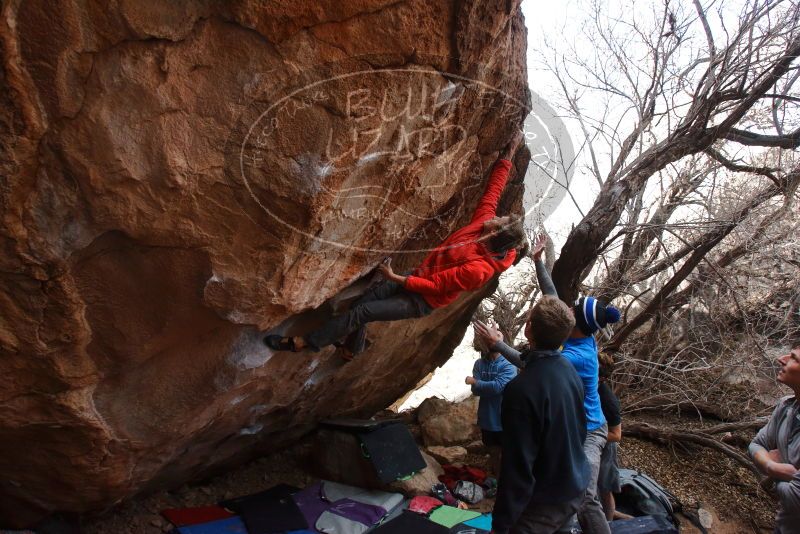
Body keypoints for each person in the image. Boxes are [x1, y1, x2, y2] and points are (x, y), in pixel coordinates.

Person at [265, 131, 528, 356]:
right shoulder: (482, 226)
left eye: (499, 220)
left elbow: (437, 286)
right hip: (416, 276)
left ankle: (303, 343)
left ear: (495, 235)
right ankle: (352, 348)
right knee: (362, 304)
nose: (494, 216)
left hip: (422, 301)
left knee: (363, 311)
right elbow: (493, 191)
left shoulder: (479, 269)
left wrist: (396, 278)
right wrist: (510, 151)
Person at [476, 234, 621, 534]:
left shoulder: (572, 360)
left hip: (593, 428)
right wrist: (539, 263)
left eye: (572, 309)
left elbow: (527, 362)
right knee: (569, 494)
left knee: (586, 497)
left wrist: (498, 344)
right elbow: (553, 303)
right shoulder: (580, 335)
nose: (568, 308)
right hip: (571, 420)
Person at [491, 296, 590, 534]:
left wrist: (501, 523)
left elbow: (517, 465)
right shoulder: (569, 371)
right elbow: (580, 431)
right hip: (574, 487)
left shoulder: (521, 389)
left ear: (528, 329)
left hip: (543, 504)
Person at [748, 344, 800, 534]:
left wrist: (777, 472)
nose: (782, 359)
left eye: (794, 358)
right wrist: (774, 467)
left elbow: (795, 498)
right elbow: (756, 444)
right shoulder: (787, 406)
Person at [465, 340, 518, 475]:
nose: (492, 342)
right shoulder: (479, 364)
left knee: (508, 455)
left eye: (496, 338)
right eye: (488, 340)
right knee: (493, 453)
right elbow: (475, 391)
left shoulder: (509, 365)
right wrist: (482, 386)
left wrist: (475, 381)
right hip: (487, 419)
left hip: (505, 419)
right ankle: (497, 482)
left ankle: (508, 485)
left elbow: (498, 387)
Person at [597, 356, 623, 521]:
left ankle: (608, 523)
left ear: (601, 377)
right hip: (588, 443)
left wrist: (588, 436)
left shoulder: (608, 400)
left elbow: (616, 435)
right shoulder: (587, 386)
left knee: (605, 487)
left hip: (605, 447)